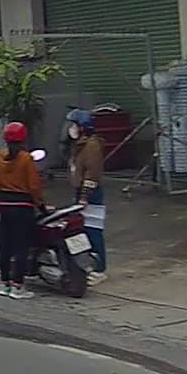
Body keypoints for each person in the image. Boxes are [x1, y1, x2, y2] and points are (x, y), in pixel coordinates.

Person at [0, 121, 43, 300]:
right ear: (23, 139)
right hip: (23, 207)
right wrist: (41, 205)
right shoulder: (26, 159)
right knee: (22, 247)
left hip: (3, 206)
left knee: (5, 246)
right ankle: (18, 286)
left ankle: (4, 283)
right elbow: (34, 186)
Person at [66, 109, 108, 285]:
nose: (71, 128)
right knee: (83, 230)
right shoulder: (81, 145)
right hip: (82, 192)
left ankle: (99, 269)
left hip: (91, 194)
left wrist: (84, 196)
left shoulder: (91, 146)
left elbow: (92, 174)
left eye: (74, 125)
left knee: (93, 231)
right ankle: (89, 266)